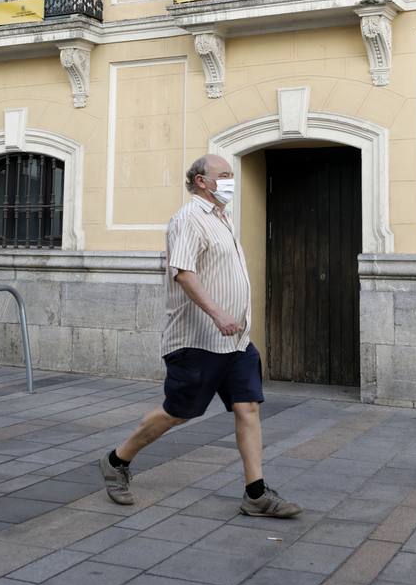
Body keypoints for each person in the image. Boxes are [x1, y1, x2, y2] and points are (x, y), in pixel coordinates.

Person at [100, 154, 302, 519]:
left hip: (236, 340)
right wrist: (218, 313)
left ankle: (255, 493)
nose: (230, 181)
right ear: (200, 182)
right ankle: (117, 461)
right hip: (198, 340)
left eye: (231, 175)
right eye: (223, 175)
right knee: (178, 413)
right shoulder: (189, 219)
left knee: (248, 407)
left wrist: (234, 319)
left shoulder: (222, 219)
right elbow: (184, 272)